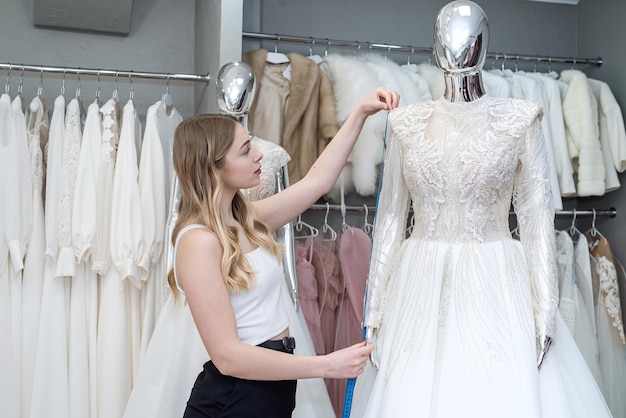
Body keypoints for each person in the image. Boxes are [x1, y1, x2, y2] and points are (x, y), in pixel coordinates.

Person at [350, 2, 612, 417]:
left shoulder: (520, 119)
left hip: (496, 278)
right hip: (419, 282)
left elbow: (536, 216)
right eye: (448, 38)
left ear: (484, 46)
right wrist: (376, 312)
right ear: (434, 46)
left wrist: (545, 309)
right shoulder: (405, 124)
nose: (458, 49)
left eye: (469, 39)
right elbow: (390, 220)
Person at [169, 87, 398, 417]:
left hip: (268, 392)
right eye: (245, 150)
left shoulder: (244, 218)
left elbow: (315, 183)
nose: (258, 155)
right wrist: (326, 365)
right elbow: (227, 356)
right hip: (235, 397)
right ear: (214, 166)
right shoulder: (199, 241)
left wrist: (361, 112)